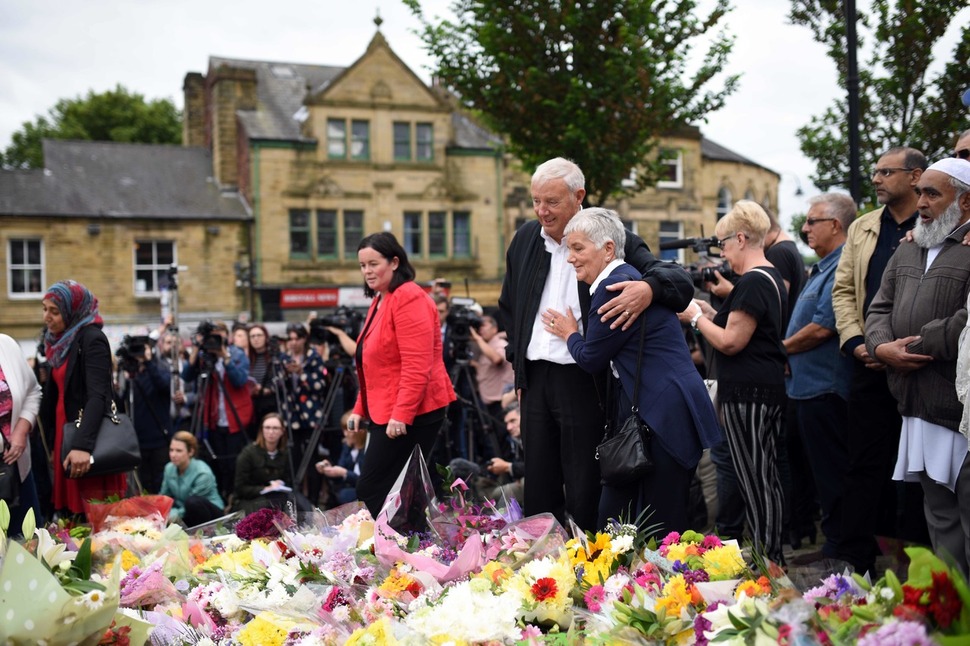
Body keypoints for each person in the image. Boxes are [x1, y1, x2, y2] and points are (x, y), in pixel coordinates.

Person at [498, 157, 693, 530]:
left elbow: (676, 281)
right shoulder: (525, 238)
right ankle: (543, 570)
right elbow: (509, 308)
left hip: (585, 378)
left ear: (578, 196)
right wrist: (518, 368)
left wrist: (648, 289)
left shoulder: (608, 235)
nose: (542, 211)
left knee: (586, 480)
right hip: (536, 378)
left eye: (552, 202)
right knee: (538, 480)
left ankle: (591, 566)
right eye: (536, 201)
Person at [543, 208, 720, 534]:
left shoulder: (613, 287)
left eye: (578, 248)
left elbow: (591, 358)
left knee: (661, 521)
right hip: (664, 408)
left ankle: (671, 581)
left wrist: (569, 332)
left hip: (665, 414)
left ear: (608, 249)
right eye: (569, 249)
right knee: (628, 515)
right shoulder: (624, 279)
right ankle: (629, 579)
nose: (571, 258)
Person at [866, 158, 970, 576]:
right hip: (915, 404)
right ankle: (954, 619)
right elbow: (878, 308)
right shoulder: (909, 246)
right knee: (940, 519)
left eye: (933, 194)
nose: (921, 202)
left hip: (958, 408)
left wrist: (912, 345)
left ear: (965, 202)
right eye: (921, 192)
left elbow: (966, 323)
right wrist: (881, 348)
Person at [832, 146, 930, 575]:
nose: (875, 179)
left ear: (914, 176)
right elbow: (844, 292)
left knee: (920, 468)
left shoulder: (938, 223)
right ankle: (856, 563)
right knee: (864, 464)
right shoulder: (862, 228)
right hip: (868, 364)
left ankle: (917, 564)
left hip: (921, 365)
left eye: (886, 172)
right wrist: (859, 343)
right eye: (874, 172)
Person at [677, 201, 788, 564]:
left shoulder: (754, 280)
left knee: (756, 481)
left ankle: (767, 560)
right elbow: (738, 329)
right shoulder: (765, 277)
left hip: (749, 393)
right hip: (759, 390)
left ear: (741, 238)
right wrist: (710, 313)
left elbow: (730, 341)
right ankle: (767, 555)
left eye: (723, 243)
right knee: (762, 477)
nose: (721, 252)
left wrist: (696, 318)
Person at [349, 232, 456, 518]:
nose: (367, 271)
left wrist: (402, 414)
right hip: (389, 409)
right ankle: (410, 550)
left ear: (394, 262)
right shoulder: (382, 299)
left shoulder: (408, 297)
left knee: (374, 487)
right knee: (399, 490)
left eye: (373, 264)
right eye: (362, 266)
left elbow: (416, 365)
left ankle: (400, 549)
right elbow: (374, 365)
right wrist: (360, 408)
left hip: (414, 410)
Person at [783, 193, 856, 563]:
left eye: (813, 221)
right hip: (805, 388)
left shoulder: (842, 266)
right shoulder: (822, 266)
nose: (805, 227)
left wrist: (781, 350)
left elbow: (823, 327)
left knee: (833, 472)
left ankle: (841, 547)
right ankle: (832, 543)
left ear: (836, 225)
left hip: (824, 389)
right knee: (816, 473)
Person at [39, 280, 127, 517]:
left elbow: (99, 396)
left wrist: (81, 446)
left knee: (94, 516)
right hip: (64, 432)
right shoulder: (57, 343)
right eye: (45, 309)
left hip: (85, 436)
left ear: (72, 311)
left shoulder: (91, 338)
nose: (47, 316)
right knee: (69, 518)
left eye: (54, 311)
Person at [181, 321, 253, 499]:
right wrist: (197, 348)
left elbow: (240, 381)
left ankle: (233, 496)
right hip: (212, 420)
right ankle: (219, 496)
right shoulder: (205, 355)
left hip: (235, 420)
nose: (214, 340)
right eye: (211, 336)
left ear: (226, 336)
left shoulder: (237, 353)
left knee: (233, 464)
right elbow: (186, 376)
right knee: (216, 464)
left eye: (218, 335)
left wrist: (224, 356)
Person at [0, 333, 44, 533]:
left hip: (15, 467)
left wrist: (21, 429)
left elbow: (33, 392)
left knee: (27, 546)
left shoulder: (6, 345)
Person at [233, 412, 311, 514]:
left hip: (277, 495)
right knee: (270, 507)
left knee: (301, 503)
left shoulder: (285, 453)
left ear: (282, 431)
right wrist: (265, 488)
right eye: (267, 427)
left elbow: (289, 480)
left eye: (275, 428)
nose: (271, 432)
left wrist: (280, 483)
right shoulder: (248, 454)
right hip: (252, 499)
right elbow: (240, 488)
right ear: (262, 430)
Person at [123, 337, 172, 494]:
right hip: (138, 441)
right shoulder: (132, 375)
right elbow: (122, 403)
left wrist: (148, 361)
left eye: (142, 349)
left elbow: (164, 386)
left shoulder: (160, 367)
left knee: (160, 483)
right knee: (144, 485)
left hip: (159, 439)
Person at [159, 430, 225, 527]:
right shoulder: (169, 468)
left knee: (192, 503)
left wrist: (172, 515)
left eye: (178, 451)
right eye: (171, 450)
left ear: (191, 452)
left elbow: (191, 505)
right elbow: (164, 496)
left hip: (210, 514)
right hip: (184, 511)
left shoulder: (202, 473)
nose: (173, 455)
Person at [469, 314, 514, 452]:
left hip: (501, 403)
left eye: (484, 326)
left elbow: (497, 359)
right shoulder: (487, 346)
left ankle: (507, 470)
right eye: (479, 327)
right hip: (491, 404)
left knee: (503, 441)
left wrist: (477, 339)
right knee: (494, 440)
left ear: (494, 329)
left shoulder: (499, 344)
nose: (480, 330)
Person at [316, 411, 367, 506]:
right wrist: (329, 469)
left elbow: (365, 481)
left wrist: (344, 473)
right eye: (343, 430)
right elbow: (340, 468)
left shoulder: (368, 450)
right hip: (347, 488)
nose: (345, 434)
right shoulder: (347, 446)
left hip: (363, 491)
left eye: (348, 430)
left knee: (345, 495)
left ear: (360, 431)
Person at [247, 324, 281, 425]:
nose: (255, 339)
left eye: (259, 335)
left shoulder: (274, 357)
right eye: (252, 336)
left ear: (266, 337)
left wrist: (268, 389)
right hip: (253, 403)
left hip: (270, 403)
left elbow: (280, 378)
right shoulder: (247, 359)